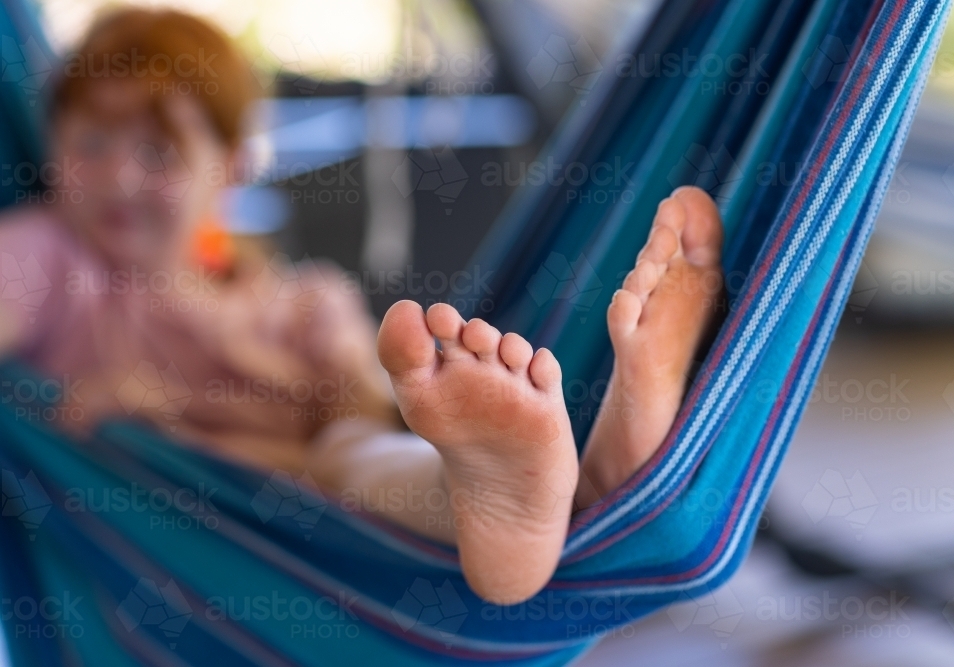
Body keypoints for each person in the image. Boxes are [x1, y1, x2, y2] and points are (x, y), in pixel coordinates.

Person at [0, 8, 723, 604]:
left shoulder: (301, 297)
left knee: (361, 448)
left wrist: (357, 416)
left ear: (230, 166)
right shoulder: (60, 260)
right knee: (342, 466)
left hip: (328, 474)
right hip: (218, 505)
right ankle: (586, 481)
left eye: (158, 154)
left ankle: (550, 482)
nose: (119, 177)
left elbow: (361, 401)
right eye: (91, 142)